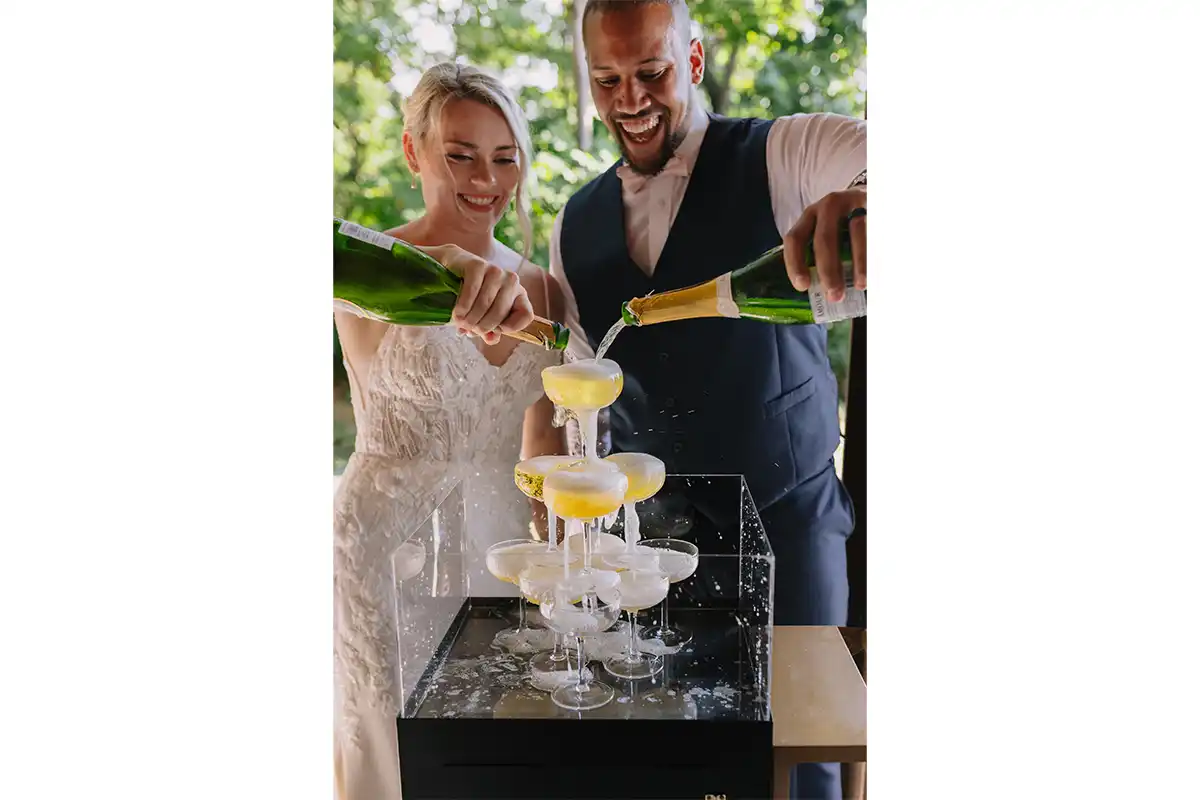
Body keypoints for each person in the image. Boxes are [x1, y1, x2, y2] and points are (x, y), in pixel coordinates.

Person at [537, 2, 867, 798]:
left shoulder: (783, 152)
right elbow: (585, 389)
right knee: (673, 754)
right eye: (608, 80)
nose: (630, 100)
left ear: (693, 60)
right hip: (654, 543)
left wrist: (870, 201)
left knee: (804, 756)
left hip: (790, 520)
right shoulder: (571, 224)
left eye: (651, 72)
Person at [333, 62, 566, 800]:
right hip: (388, 547)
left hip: (501, 546)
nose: (485, 179)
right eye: (460, 154)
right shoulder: (371, 267)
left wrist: (563, 565)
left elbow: (546, 447)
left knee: (496, 749)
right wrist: (434, 263)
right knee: (398, 746)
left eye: (504, 157)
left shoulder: (544, 288)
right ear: (414, 153)